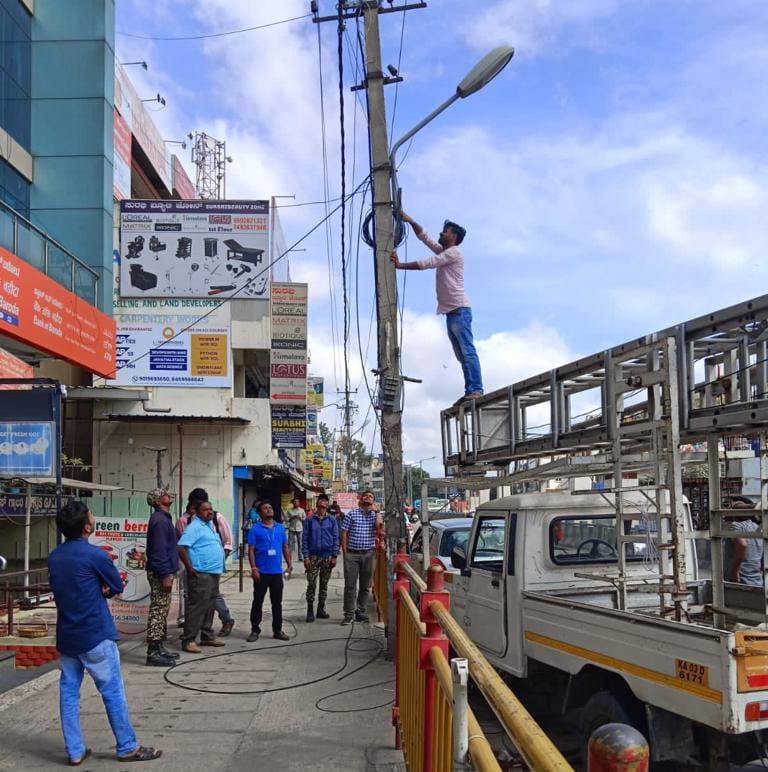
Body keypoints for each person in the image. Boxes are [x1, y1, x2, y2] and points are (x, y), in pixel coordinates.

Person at [48, 501, 161, 765]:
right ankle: (127, 747)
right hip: (95, 633)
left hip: (68, 634)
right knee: (112, 691)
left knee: (68, 692)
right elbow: (115, 585)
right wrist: (102, 588)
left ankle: (74, 751)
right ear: (87, 526)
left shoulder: (55, 556)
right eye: (91, 515)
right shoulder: (95, 555)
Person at [391, 212, 483, 404]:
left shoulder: (453, 253)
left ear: (454, 237)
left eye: (446, 231)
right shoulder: (445, 252)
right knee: (462, 355)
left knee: (467, 352)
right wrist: (411, 221)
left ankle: (476, 389)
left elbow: (427, 263)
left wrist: (399, 266)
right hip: (452, 313)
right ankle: (470, 390)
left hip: (459, 311)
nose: (441, 233)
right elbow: (425, 237)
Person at [177, 488, 235, 637]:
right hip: (199, 570)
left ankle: (207, 634)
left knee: (211, 600)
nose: (209, 512)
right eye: (205, 509)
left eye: (210, 508)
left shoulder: (212, 522)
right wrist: (190, 568)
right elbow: (182, 546)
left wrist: (220, 558)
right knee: (196, 602)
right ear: (196, 510)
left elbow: (227, 541)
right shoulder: (190, 524)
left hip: (214, 569)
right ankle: (189, 637)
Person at [247, 500, 292, 642]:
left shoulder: (280, 528)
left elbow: (285, 547)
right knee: (258, 602)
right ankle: (255, 630)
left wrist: (289, 565)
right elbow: (251, 550)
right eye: (265, 508)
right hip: (261, 572)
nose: (269, 509)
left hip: (276, 573)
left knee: (277, 603)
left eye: (270, 507)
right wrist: (254, 568)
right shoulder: (255, 529)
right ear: (260, 513)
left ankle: (277, 630)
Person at [144, 488, 179, 667]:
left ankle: (159, 647)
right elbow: (158, 551)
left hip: (164, 571)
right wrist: (165, 574)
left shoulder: (163, 519)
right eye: (164, 494)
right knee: (158, 610)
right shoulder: (159, 520)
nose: (168, 494)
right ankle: (153, 652)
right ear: (158, 501)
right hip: (160, 572)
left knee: (163, 609)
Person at [340, 490, 382, 625]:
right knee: (350, 586)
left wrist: (377, 512)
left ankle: (361, 611)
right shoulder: (352, 514)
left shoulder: (374, 516)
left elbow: (379, 528)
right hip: (352, 554)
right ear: (361, 499)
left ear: (373, 501)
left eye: (371, 497)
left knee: (365, 586)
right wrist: (345, 553)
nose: (368, 498)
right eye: (366, 496)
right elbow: (344, 533)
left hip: (369, 554)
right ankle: (348, 614)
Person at [302, 494, 340, 622]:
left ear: (327, 505)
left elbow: (336, 538)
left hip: (327, 556)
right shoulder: (309, 520)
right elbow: (305, 539)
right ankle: (310, 610)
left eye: (325, 502)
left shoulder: (332, 520)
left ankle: (321, 609)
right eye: (321, 501)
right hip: (313, 556)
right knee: (311, 583)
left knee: (324, 584)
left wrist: (334, 555)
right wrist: (306, 557)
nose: (322, 504)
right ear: (317, 504)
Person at [724, 495, 763, 586]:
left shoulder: (735, 526)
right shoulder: (757, 528)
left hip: (739, 581)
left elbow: (742, 544)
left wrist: (735, 571)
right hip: (756, 581)